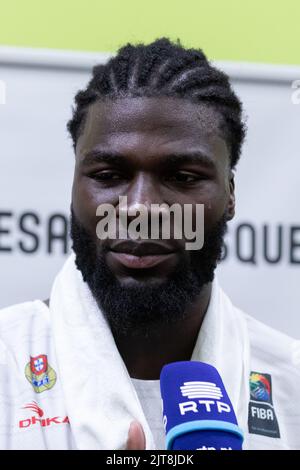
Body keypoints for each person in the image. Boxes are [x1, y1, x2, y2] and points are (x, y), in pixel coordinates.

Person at [0, 38, 299, 450]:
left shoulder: (291, 383)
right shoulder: (8, 363)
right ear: (73, 188)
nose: (140, 208)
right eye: (108, 175)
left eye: (183, 177)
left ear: (230, 195)